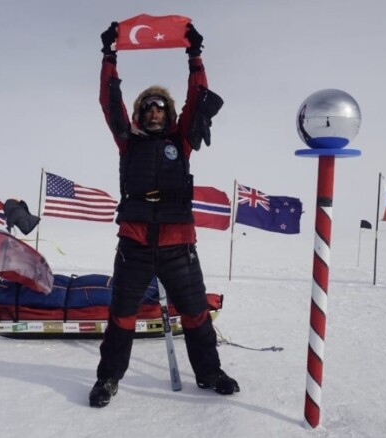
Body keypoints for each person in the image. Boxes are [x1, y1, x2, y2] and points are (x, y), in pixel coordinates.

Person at [89, 21, 237, 408]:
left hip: (178, 246)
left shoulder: (181, 140)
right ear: (140, 114)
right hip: (134, 245)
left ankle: (208, 373)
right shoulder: (127, 141)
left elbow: (197, 95)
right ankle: (108, 379)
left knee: (196, 314)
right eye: (147, 107)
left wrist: (194, 56)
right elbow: (110, 102)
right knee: (122, 317)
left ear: (169, 114)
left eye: (160, 106)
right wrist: (109, 57)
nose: (154, 111)